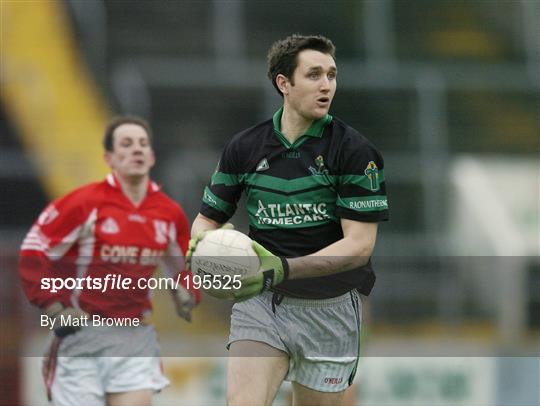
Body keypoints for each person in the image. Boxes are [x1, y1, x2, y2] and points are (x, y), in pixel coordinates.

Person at [189, 34, 389, 405]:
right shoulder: (244, 147)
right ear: (284, 83)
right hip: (263, 301)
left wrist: (281, 267)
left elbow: (359, 246)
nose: (326, 84)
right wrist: (201, 248)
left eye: (331, 74)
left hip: (331, 307)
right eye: (314, 75)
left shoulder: (354, 151)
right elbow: (206, 220)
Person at [19, 116, 200, 406]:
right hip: (82, 335)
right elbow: (33, 251)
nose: (137, 150)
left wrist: (187, 294)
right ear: (109, 158)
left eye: (143, 144)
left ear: (152, 156)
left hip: (134, 337)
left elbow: (184, 269)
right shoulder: (82, 204)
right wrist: (55, 308)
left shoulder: (169, 213)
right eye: (126, 144)